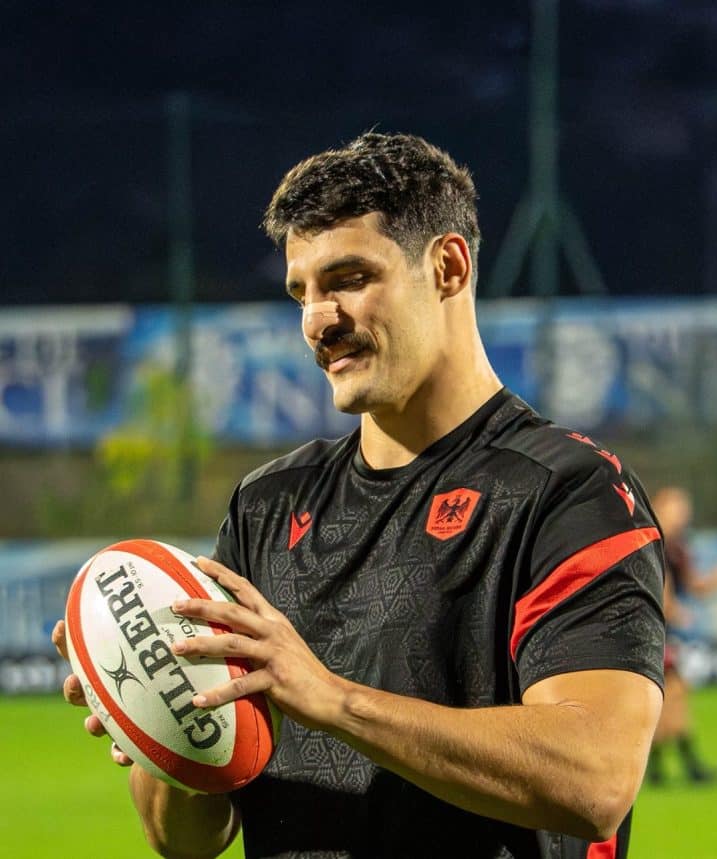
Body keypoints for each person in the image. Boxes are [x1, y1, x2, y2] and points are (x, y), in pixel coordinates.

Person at [54, 132, 665, 859]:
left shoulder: (568, 491)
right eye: (302, 293)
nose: (317, 319)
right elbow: (184, 840)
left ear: (447, 266)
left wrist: (333, 700)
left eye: (348, 279)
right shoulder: (266, 503)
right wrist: (161, 721)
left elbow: (595, 780)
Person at [646, 485, 717, 786]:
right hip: (654, 632)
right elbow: (662, 591)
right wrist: (674, 610)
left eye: (684, 509)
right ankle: (684, 766)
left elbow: (693, 585)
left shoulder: (678, 547)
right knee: (673, 695)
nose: (682, 514)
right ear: (660, 507)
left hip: (666, 632)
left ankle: (661, 768)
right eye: (676, 508)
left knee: (669, 697)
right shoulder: (652, 539)